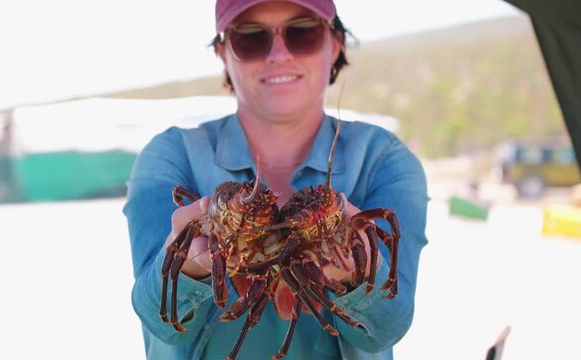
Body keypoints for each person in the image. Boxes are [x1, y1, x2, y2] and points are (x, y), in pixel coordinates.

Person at [123, 1, 429, 359]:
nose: (279, 54)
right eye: (251, 38)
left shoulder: (383, 159)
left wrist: (358, 273)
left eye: (303, 32)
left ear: (336, 43)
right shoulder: (170, 154)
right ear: (223, 52)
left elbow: (388, 327)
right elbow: (157, 321)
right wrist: (191, 265)